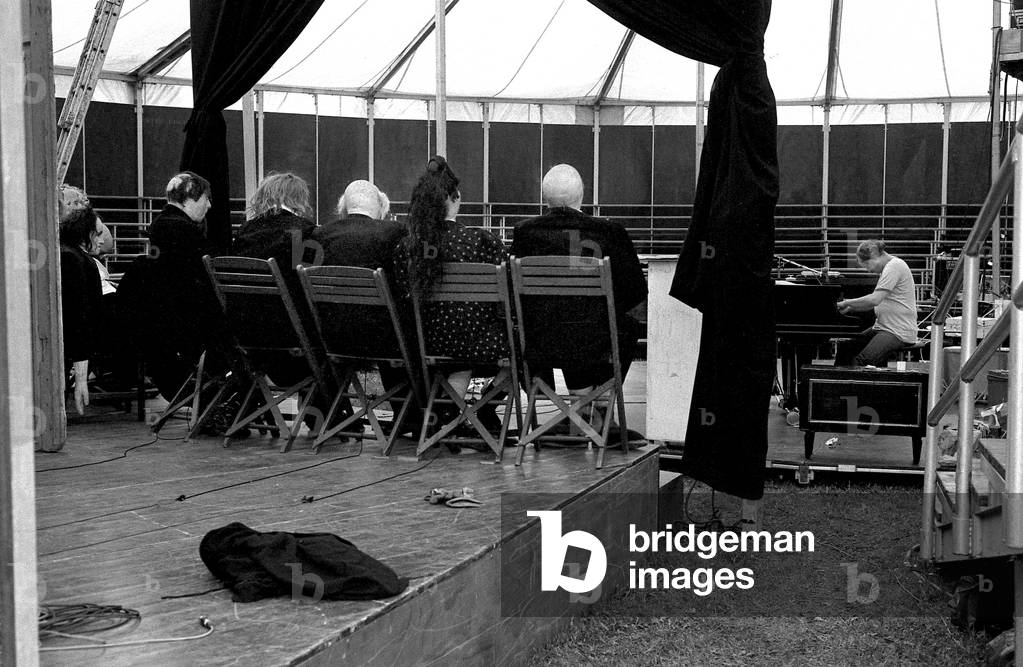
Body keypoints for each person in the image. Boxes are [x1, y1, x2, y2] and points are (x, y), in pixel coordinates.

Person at [510, 163, 647, 433]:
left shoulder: (524, 233)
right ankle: (600, 410)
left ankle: (574, 412)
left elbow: (512, 293)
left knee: (560, 319)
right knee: (623, 324)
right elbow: (635, 295)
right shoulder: (610, 233)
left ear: (544, 197)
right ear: (582, 195)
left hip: (540, 343)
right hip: (596, 341)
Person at [393, 156, 508, 433]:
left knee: (459, 352)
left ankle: (447, 411)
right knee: (525, 348)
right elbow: (507, 295)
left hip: (425, 343)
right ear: (456, 198)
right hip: (478, 343)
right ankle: (486, 407)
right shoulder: (482, 243)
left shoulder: (406, 248)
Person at [118, 172, 218, 401]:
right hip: (183, 325)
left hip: (158, 324)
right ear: (190, 199)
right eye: (206, 199)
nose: (209, 205)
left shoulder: (159, 226)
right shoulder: (185, 231)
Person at [835, 240, 919, 366]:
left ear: (874, 256)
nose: (868, 270)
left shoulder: (894, 267)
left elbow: (874, 299)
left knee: (864, 361)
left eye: (867, 265)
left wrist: (846, 302)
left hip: (897, 331)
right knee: (846, 349)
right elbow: (874, 303)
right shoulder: (888, 268)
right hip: (884, 327)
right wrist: (851, 307)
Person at [59, 206, 103, 414]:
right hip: (80, 339)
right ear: (86, 233)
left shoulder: (69, 253)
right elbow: (79, 317)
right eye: (99, 234)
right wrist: (81, 376)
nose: (102, 241)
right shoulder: (74, 259)